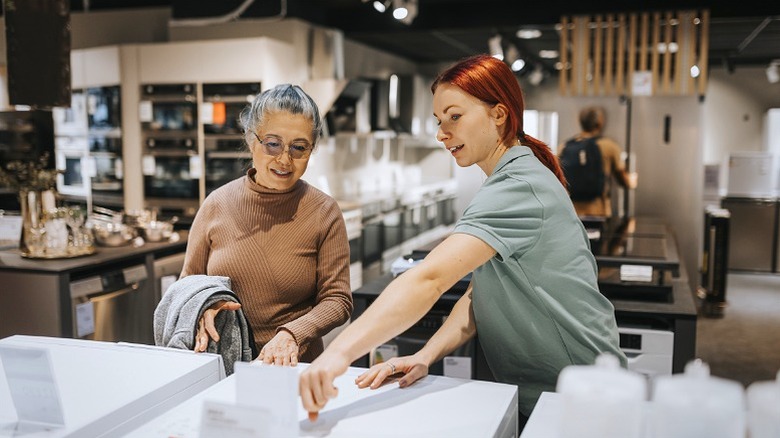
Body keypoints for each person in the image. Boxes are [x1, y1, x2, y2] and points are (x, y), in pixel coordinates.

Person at [299, 54, 626, 426]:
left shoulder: (518, 186)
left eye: (455, 116)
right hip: (556, 391)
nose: (442, 133)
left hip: (578, 396)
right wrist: (426, 354)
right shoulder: (510, 178)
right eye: (439, 121)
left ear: (499, 114)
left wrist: (336, 355)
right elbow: (482, 293)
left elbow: (429, 279)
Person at [180, 83, 353, 366]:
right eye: (272, 144)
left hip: (291, 367)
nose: (284, 159)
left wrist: (292, 334)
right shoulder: (217, 204)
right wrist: (202, 306)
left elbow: (338, 300)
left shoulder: (324, 211)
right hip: (219, 365)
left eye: (299, 148)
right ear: (251, 139)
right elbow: (188, 282)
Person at [559, 106, 638, 217]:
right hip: (599, 212)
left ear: (580, 122)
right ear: (600, 123)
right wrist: (632, 180)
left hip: (571, 212)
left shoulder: (563, 146)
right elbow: (623, 180)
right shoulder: (609, 146)